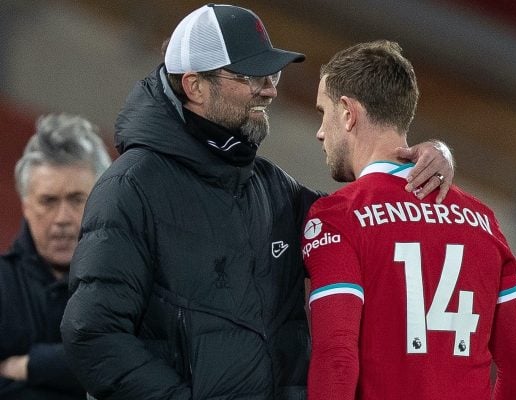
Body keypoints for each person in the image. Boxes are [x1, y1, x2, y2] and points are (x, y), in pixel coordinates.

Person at [60, 5, 454, 400]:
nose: (270, 88)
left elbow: (370, 227)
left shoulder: (272, 187)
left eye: (272, 74)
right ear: (196, 86)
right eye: (251, 76)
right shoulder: (131, 187)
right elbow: (92, 333)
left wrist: (436, 153)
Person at [302, 40, 516, 400]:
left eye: (324, 112)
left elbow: (337, 359)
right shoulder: (484, 221)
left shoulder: (339, 217)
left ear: (348, 113)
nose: (321, 131)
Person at [0, 113, 111, 400]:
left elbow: (144, 361)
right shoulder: (3, 284)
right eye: (48, 201)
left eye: (77, 199)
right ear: (25, 205)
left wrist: (33, 365)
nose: (62, 218)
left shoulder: (139, 279)